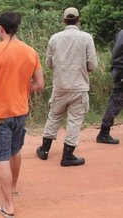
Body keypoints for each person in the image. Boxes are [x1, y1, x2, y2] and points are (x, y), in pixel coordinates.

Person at [0, 12, 44, 217]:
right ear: (16, 28)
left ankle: (8, 205)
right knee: (15, 151)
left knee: (2, 157)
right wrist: (23, 88)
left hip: (0, 114)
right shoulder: (30, 52)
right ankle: (13, 187)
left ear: (0, 28)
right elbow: (40, 84)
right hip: (21, 111)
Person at [36, 7, 98, 167]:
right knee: (75, 121)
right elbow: (93, 65)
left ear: (64, 20)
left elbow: (49, 64)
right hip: (79, 86)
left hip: (60, 86)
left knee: (54, 116)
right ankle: (68, 155)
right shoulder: (86, 37)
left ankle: (44, 149)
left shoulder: (54, 38)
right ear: (79, 19)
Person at [96, 29, 123, 144]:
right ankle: (103, 133)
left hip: (118, 69)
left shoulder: (120, 32)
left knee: (117, 100)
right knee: (117, 100)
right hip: (121, 69)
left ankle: (104, 132)